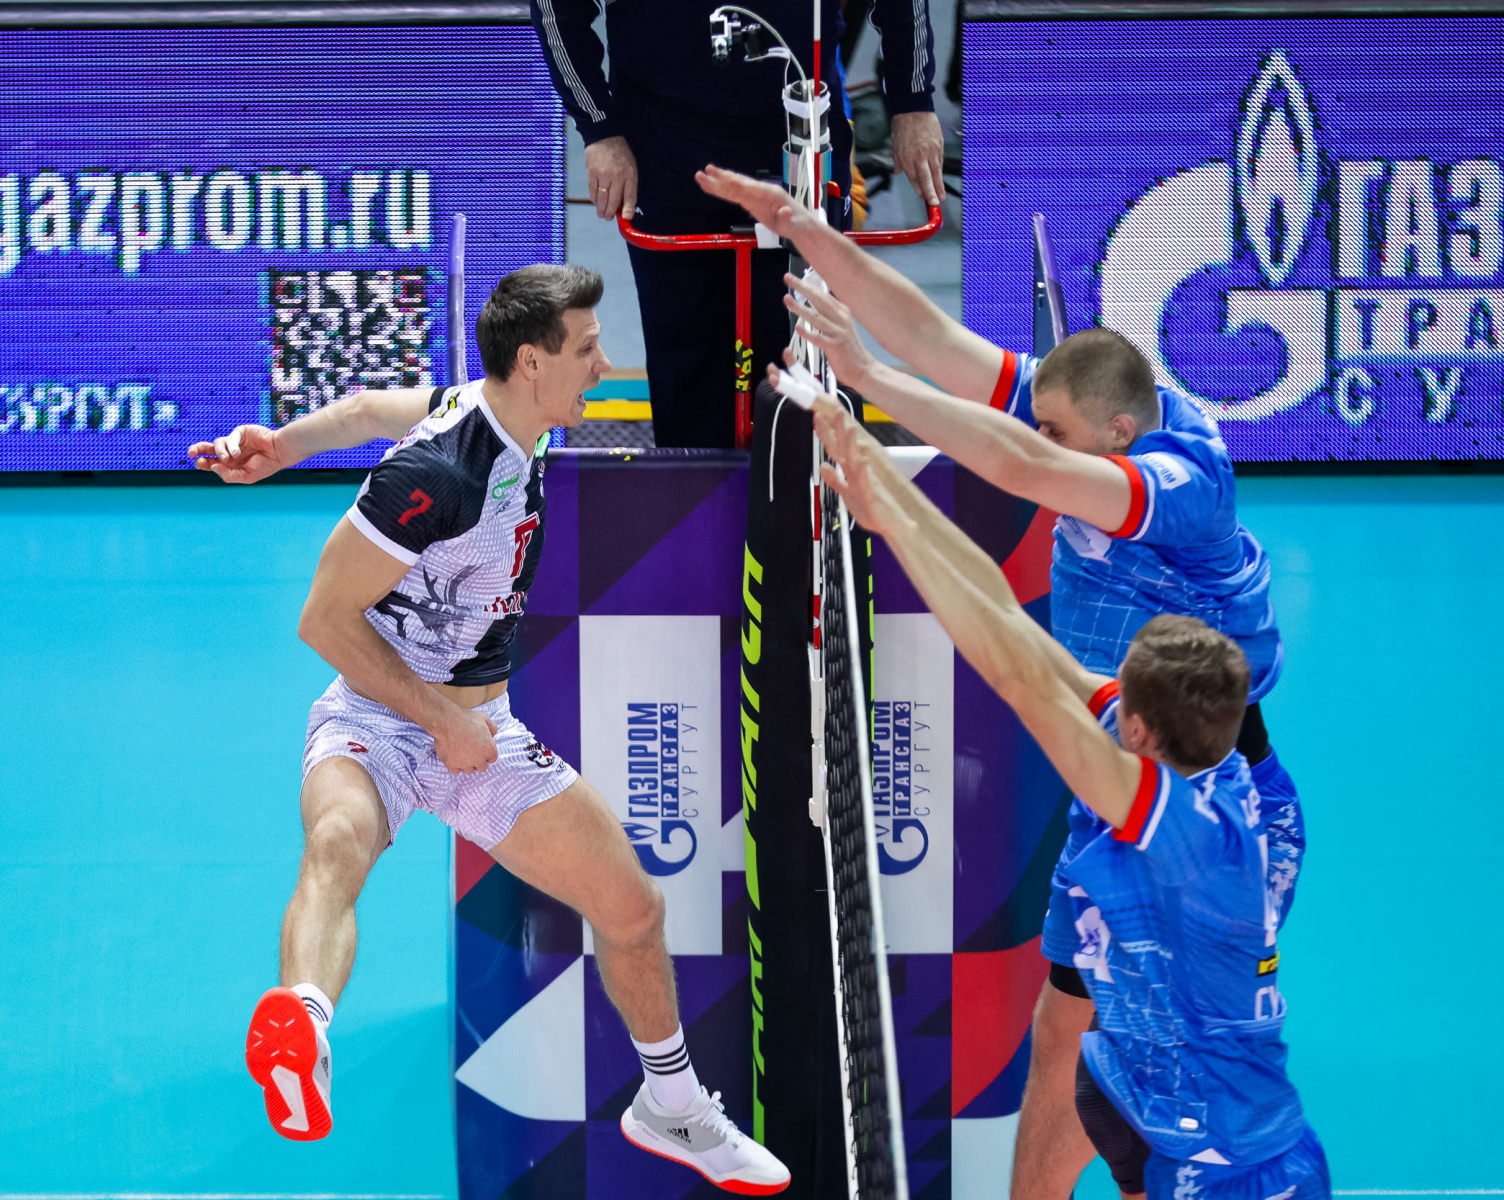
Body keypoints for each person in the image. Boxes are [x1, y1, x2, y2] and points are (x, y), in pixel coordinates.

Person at [696, 164, 1305, 1200]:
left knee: (1158, 1052)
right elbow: (939, 341)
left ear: (1117, 433)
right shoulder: (1098, 407)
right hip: (1125, 748)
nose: (1037, 429)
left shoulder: (1181, 485)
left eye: (1054, 427)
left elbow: (1024, 471)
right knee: (1066, 1033)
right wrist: (810, 231)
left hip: (1204, 779)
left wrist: (871, 390)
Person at [187, 264, 790, 1196]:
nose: (604, 366)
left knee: (634, 910)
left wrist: (281, 444)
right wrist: (436, 718)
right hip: (381, 714)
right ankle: (302, 1026)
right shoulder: (436, 475)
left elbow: (367, 409)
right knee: (338, 840)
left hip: (481, 733)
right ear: (532, 361)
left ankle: (670, 1104)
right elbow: (323, 620)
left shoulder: (505, 415)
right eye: (587, 350)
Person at [812, 399, 1330, 1200]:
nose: (1108, 695)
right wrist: (891, 502)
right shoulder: (1202, 761)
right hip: (1152, 1102)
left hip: (1234, 1168)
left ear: (1140, 731)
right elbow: (1016, 631)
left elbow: (1018, 679)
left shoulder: (1191, 835)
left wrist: (896, 523)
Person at [530, 0, 938, 448]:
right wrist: (599, 128)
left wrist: (913, 103)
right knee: (686, 355)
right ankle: (695, 486)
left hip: (800, 135)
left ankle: (807, 488)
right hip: (665, 145)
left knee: (807, 350)